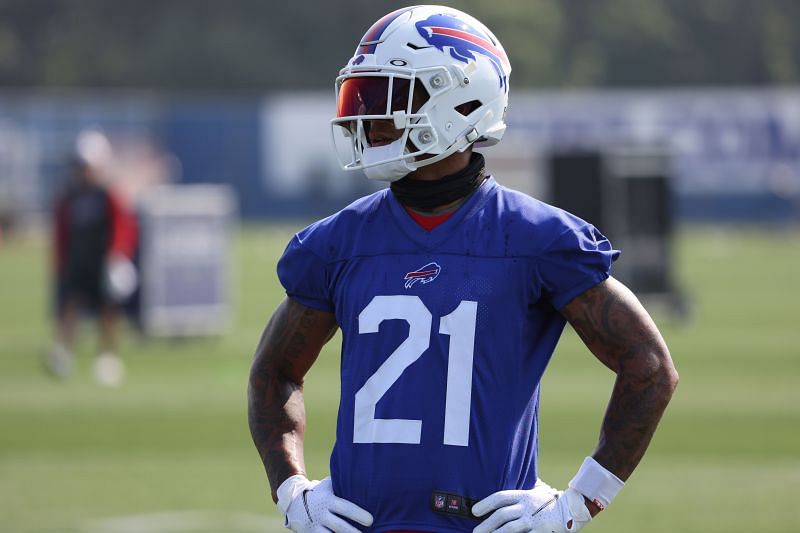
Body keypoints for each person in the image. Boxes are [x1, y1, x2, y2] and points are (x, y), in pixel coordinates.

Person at [248, 5, 678, 532]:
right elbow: (274, 371)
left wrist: (580, 502)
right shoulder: (338, 242)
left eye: (390, 95)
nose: (368, 115)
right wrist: (292, 490)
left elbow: (650, 367)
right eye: (364, 95)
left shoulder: (537, 238)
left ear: (460, 99)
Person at [47, 129, 138, 386]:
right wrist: (61, 259)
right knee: (70, 305)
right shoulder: (70, 195)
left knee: (108, 310)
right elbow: (62, 229)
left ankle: (108, 357)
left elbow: (123, 226)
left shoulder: (108, 194)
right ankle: (63, 352)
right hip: (78, 259)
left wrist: (118, 255)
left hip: (104, 260)